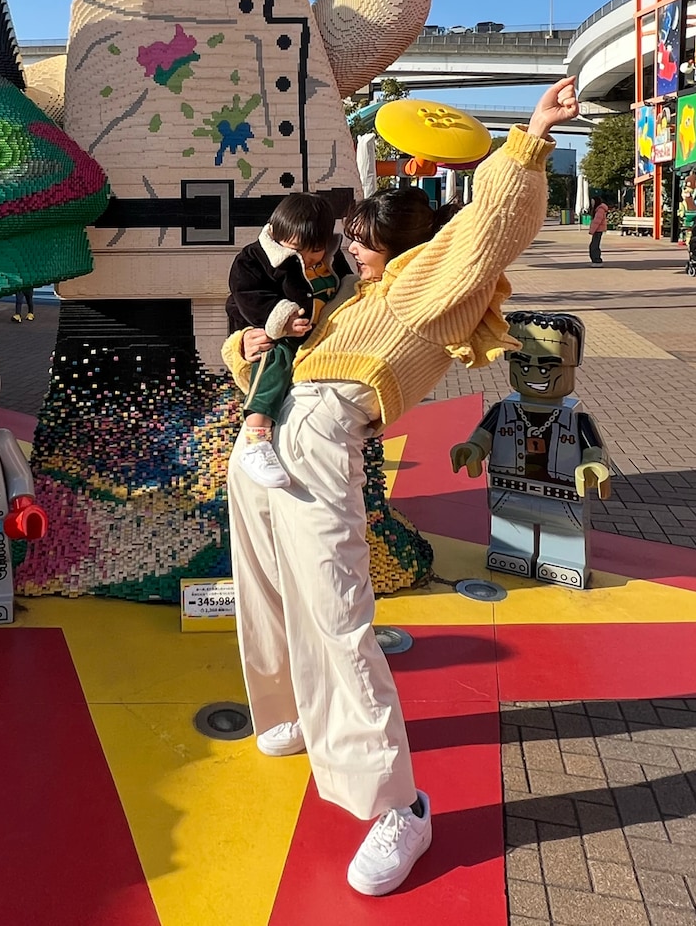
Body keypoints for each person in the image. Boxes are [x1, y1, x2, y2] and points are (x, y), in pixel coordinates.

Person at [221, 76, 577, 898]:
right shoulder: (358, 296)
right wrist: (248, 347)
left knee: (338, 613)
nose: (348, 250)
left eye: (361, 240)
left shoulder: (427, 284)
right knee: (265, 588)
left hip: (321, 442)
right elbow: (277, 359)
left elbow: (490, 228)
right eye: (348, 239)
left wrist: (528, 138)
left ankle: (398, 807)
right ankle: (292, 711)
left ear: (402, 243)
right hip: (269, 437)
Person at [226, 194, 351, 487]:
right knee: (274, 358)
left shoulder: (333, 258)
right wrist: (282, 319)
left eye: (315, 250)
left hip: (323, 342)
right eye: (296, 250)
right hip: (282, 337)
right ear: (277, 234)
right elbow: (247, 296)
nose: (306, 258)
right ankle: (256, 439)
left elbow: (347, 285)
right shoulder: (254, 259)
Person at [588, 196, 609, 265]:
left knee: (594, 246)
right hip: (598, 230)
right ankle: (595, 260)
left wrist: (592, 230)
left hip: (598, 230)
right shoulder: (598, 209)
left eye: (593, 202)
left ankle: (597, 260)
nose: (592, 203)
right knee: (594, 245)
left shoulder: (600, 210)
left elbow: (597, 221)